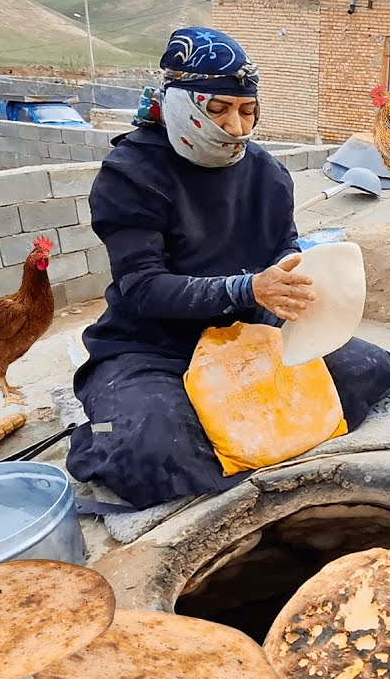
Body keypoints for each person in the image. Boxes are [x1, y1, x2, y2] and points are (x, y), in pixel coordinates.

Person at [68, 27, 338, 509]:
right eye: (218, 109)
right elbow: (144, 288)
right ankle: (112, 430)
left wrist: (292, 272)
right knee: (153, 445)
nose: (236, 127)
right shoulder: (130, 175)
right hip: (153, 347)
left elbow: (283, 246)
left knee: (360, 370)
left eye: (247, 110)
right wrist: (248, 289)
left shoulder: (267, 173)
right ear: (176, 103)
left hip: (248, 334)